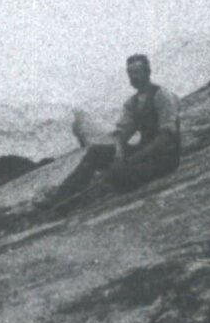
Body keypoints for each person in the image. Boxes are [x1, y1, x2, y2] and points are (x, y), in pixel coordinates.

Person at [43, 53, 184, 211]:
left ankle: (79, 201)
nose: (133, 77)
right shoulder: (133, 103)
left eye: (137, 72)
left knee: (119, 174)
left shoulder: (162, 96)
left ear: (148, 72)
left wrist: (133, 159)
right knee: (96, 152)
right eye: (130, 73)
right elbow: (122, 134)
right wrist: (119, 153)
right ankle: (62, 197)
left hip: (164, 159)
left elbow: (167, 137)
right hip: (144, 156)